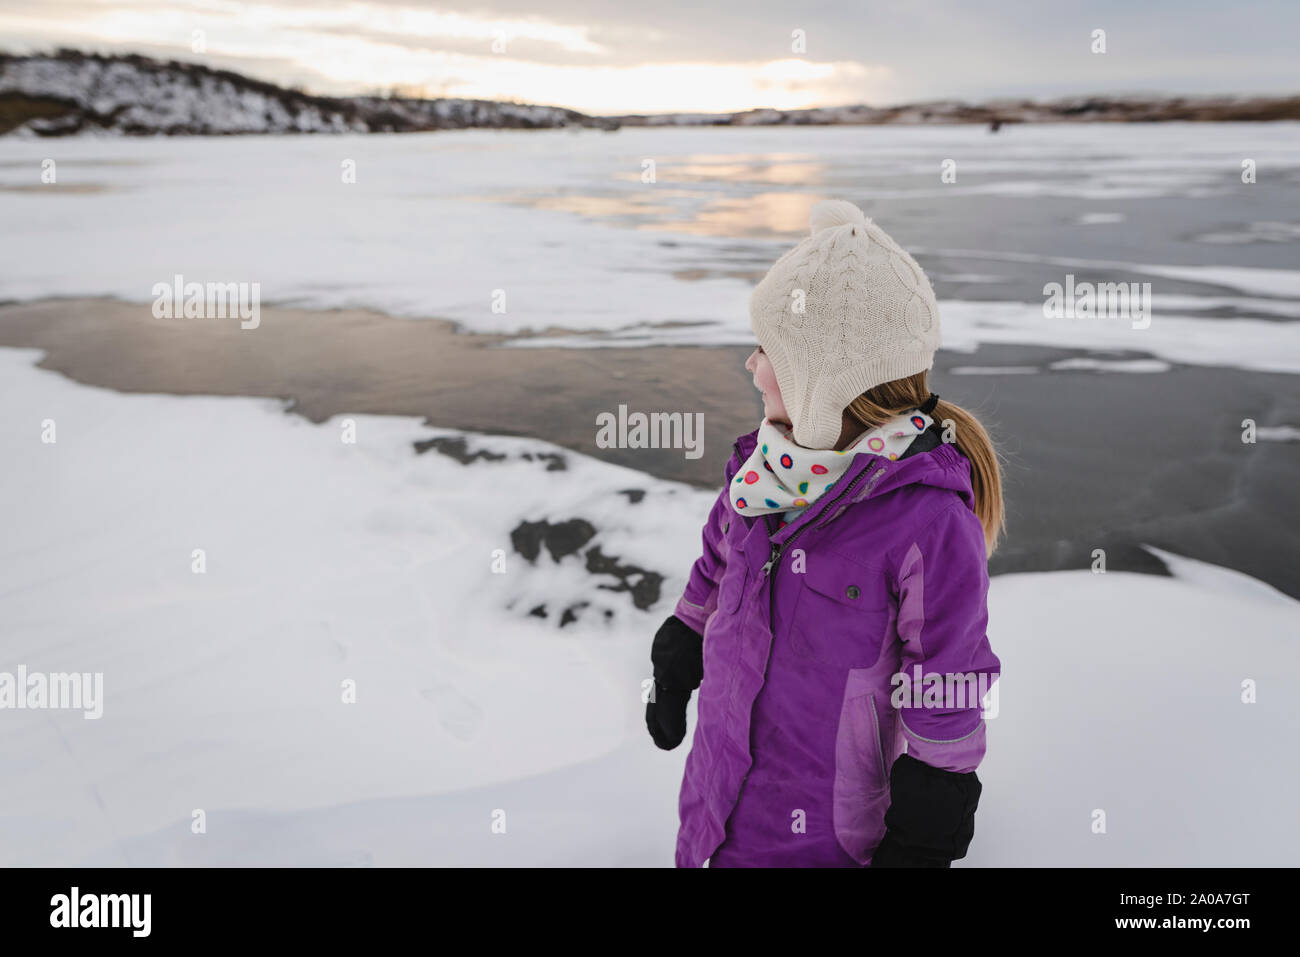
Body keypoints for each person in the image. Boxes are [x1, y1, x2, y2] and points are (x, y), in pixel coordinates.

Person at [646, 199, 1005, 867]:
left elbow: (947, 678)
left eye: (769, 351)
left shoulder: (924, 519)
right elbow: (717, 567)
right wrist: (682, 642)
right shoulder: (760, 472)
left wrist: (933, 807)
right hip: (715, 802)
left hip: (821, 837)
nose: (751, 367)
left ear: (829, 381)